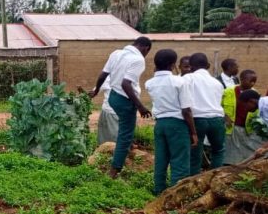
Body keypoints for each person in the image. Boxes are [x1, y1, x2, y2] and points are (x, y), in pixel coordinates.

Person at [89, 37, 153, 178]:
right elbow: (125, 84)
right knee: (125, 134)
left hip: (113, 97)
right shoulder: (138, 60)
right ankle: (114, 170)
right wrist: (140, 106)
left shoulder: (116, 53)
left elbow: (103, 75)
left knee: (125, 131)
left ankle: (127, 147)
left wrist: (96, 90)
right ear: (146, 48)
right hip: (125, 100)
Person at [145, 49, 198, 195]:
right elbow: (186, 110)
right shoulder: (179, 82)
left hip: (160, 124)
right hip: (177, 124)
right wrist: (193, 132)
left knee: (161, 159)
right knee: (180, 161)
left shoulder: (149, 83)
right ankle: (176, 195)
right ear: (173, 65)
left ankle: (159, 191)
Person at [185, 53, 226, 174]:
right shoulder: (217, 83)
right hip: (217, 119)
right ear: (208, 65)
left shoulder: (188, 79)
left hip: (197, 119)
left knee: (195, 152)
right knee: (218, 151)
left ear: (191, 66)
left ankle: (193, 180)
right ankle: (214, 177)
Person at [221, 71, 262, 165]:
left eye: (254, 81)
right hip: (231, 126)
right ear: (242, 79)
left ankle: (243, 165)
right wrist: (225, 116)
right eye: (250, 81)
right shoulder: (229, 91)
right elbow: (219, 105)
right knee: (231, 150)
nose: (252, 83)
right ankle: (230, 166)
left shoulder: (255, 93)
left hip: (246, 127)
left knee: (245, 149)